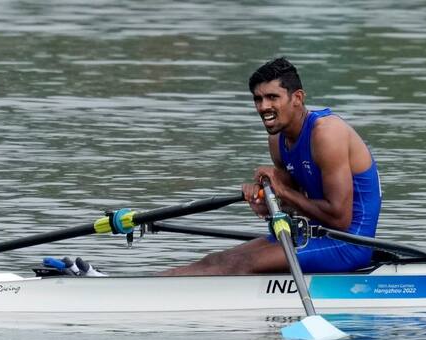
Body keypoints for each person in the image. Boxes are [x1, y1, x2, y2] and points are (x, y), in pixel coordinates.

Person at [162, 57, 382, 276]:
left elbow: (339, 219)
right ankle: (144, 293)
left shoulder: (327, 133)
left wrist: (282, 190)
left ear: (297, 98)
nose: (263, 107)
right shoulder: (277, 140)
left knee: (237, 265)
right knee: (216, 259)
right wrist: (267, 203)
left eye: (272, 97)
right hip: (310, 236)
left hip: (349, 244)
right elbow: (299, 204)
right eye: (258, 99)